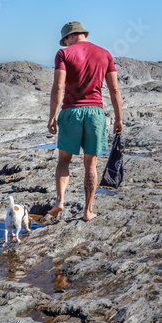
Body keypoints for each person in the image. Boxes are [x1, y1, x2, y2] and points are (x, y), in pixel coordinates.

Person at [47, 21, 123, 221]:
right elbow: (114, 90)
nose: (65, 44)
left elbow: (58, 87)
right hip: (95, 114)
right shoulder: (105, 54)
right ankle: (88, 212)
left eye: (65, 40)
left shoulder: (63, 54)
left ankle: (60, 201)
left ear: (70, 36)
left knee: (64, 160)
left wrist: (52, 116)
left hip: (71, 112)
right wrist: (118, 119)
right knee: (91, 164)